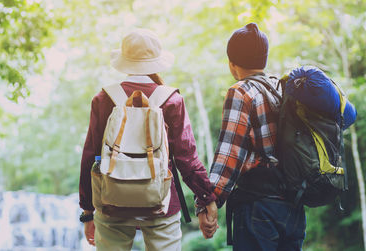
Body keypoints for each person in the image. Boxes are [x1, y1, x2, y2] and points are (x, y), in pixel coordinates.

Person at [79, 28, 218, 251]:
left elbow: (90, 158)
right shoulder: (171, 100)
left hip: (111, 202)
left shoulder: (104, 98)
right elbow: (187, 158)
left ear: (124, 61)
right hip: (161, 203)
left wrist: (87, 212)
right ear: (156, 62)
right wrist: (206, 199)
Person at [198, 23, 306, 250]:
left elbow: (230, 152)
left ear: (232, 64)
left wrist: (208, 201)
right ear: (264, 59)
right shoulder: (280, 87)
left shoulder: (241, 91)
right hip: (293, 208)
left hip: (259, 208)